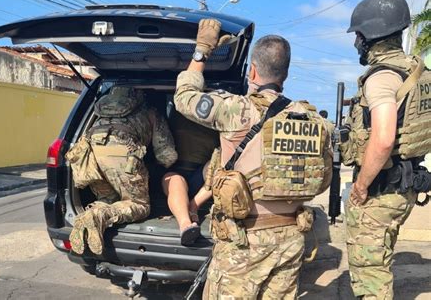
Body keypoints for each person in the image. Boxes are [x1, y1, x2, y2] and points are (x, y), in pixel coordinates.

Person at [174, 19, 332, 299]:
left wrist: (202, 50)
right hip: (291, 236)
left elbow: (185, 96)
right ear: (284, 74)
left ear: (253, 71)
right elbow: (322, 178)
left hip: (244, 241)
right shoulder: (313, 120)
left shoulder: (235, 110)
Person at [344, 0, 429, 299]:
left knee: (370, 276)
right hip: (407, 186)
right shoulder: (419, 73)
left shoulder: (381, 78)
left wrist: (362, 186)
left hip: (381, 189)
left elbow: (382, 140)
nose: (357, 42)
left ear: (372, 34)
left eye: (358, 35)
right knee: (381, 258)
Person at [67, 86, 178, 255]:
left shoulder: (101, 111)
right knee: (140, 205)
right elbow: (167, 155)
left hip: (88, 157)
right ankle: (98, 216)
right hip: (122, 155)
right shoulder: (150, 112)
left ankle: (93, 213)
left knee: (109, 199)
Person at [162, 110, 219, 246]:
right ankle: (186, 225)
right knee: (175, 180)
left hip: (203, 176)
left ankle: (193, 207)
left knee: (221, 165)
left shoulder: (218, 118)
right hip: (175, 172)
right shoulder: (176, 113)